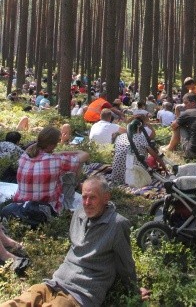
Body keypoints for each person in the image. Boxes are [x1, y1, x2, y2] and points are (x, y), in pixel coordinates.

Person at [0, 176, 150, 307]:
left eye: (93, 197)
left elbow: (125, 263)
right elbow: (74, 246)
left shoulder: (117, 224)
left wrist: (134, 290)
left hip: (80, 294)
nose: (87, 202)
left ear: (106, 198)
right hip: (55, 283)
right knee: (19, 301)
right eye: (84, 197)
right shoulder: (79, 212)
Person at [6, 127, 89, 214]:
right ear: (53, 145)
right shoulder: (56, 160)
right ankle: (68, 206)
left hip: (20, 205)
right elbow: (85, 155)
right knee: (69, 176)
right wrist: (64, 152)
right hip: (47, 208)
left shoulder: (24, 157)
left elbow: (33, 148)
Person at [111, 116, 166, 185]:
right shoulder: (141, 137)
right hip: (133, 179)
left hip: (117, 177)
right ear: (139, 127)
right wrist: (165, 168)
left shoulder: (120, 137)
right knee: (150, 161)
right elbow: (156, 156)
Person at [162, 93, 196, 160]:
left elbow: (173, 126)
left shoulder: (188, 112)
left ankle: (170, 148)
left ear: (193, 103)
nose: (184, 106)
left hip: (193, 153)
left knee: (178, 125)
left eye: (186, 103)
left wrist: (176, 110)